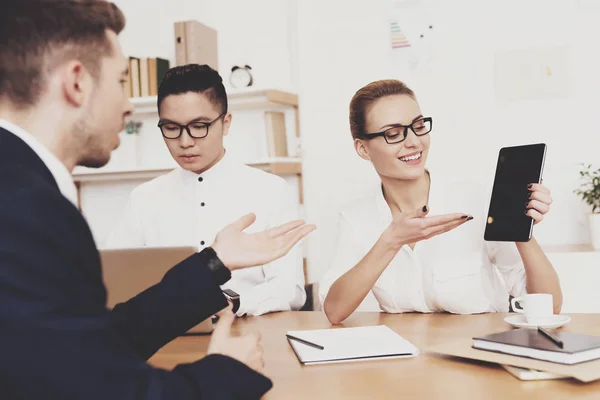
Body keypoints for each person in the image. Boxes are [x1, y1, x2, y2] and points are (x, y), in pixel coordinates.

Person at [0, 1, 315, 399]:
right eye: (121, 82)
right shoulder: (28, 209)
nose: (129, 105)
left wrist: (213, 264)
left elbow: (93, 341)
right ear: (77, 82)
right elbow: (100, 387)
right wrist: (224, 374)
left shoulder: (22, 190)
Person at [319, 79, 562, 324]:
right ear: (363, 149)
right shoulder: (356, 219)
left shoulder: (475, 198)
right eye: (393, 134)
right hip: (406, 356)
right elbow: (334, 310)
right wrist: (391, 241)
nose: (414, 141)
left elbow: (550, 306)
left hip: (480, 351)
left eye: (418, 126)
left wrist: (522, 227)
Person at [106, 64, 306, 317]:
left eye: (199, 126)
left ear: (226, 123)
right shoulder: (143, 199)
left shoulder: (271, 190)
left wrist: (231, 302)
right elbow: (115, 282)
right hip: (164, 340)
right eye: (171, 128)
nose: (185, 141)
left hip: (249, 333)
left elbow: (291, 289)